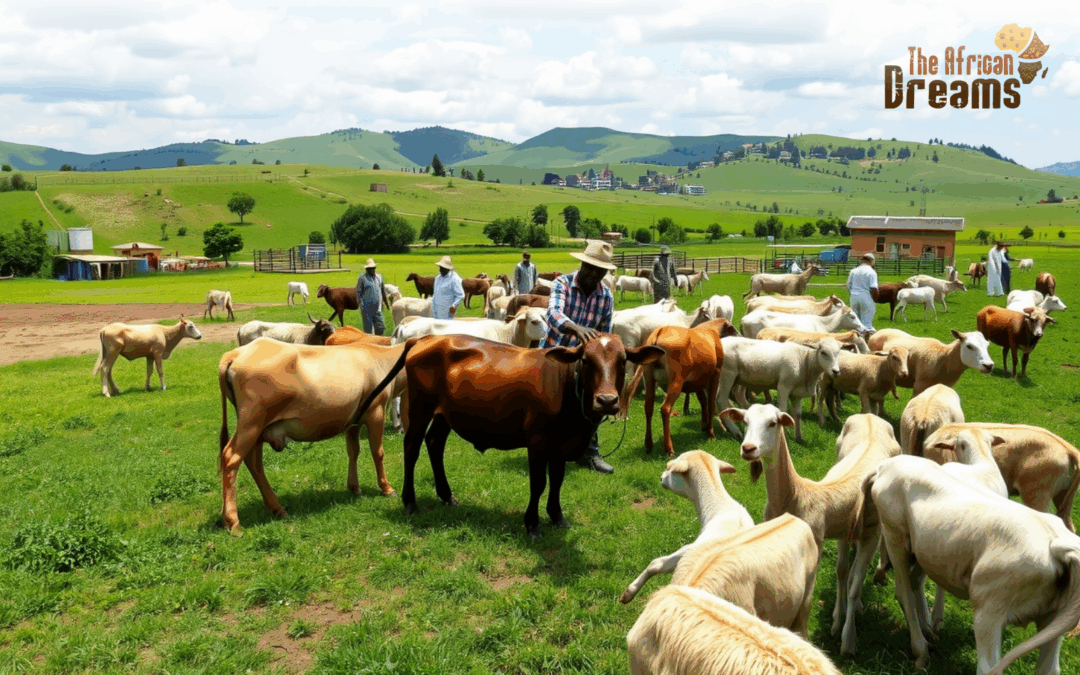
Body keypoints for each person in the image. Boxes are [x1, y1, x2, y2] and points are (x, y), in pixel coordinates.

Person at [542, 240, 617, 474]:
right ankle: (545, 449)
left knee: (593, 405)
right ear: (582, 264)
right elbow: (553, 313)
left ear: (605, 272)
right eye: (589, 267)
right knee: (551, 406)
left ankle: (590, 453)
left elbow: (604, 333)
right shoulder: (562, 284)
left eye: (599, 270)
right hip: (554, 355)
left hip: (584, 363)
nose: (593, 273)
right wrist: (576, 328)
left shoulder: (606, 296)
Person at [846, 252, 878, 333]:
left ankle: (856, 338)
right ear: (872, 261)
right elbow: (873, 288)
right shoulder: (871, 272)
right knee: (866, 323)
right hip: (866, 297)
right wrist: (875, 298)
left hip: (854, 297)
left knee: (856, 324)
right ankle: (866, 338)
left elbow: (848, 286)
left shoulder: (853, 271)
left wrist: (853, 294)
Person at [355, 258, 385, 335]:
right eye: (370, 268)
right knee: (368, 329)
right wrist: (360, 304)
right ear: (367, 269)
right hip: (366, 308)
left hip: (377, 308)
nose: (372, 270)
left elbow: (382, 290)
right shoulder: (362, 278)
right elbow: (358, 292)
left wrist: (383, 301)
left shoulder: (379, 277)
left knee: (380, 327)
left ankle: (378, 340)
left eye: (373, 268)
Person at [431, 255, 465, 319]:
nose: (440, 269)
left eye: (442, 268)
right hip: (435, 309)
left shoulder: (454, 279)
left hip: (447, 311)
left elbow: (460, 295)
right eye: (440, 267)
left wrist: (454, 306)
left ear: (447, 268)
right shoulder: (438, 278)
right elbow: (435, 293)